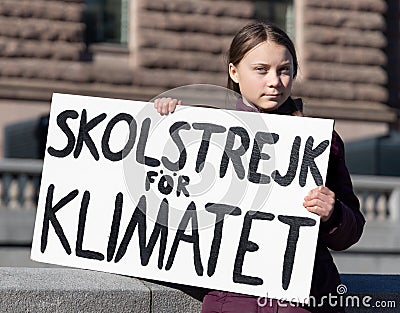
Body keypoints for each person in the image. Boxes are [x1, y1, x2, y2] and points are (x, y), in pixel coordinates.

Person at [154, 21, 365, 313]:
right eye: (261, 70)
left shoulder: (321, 141)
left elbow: (352, 230)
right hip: (230, 301)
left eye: (284, 70)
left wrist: (334, 214)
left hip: (306, 301)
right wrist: (165, 120)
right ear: (234, 72)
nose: (275, 81)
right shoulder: (205, 135)